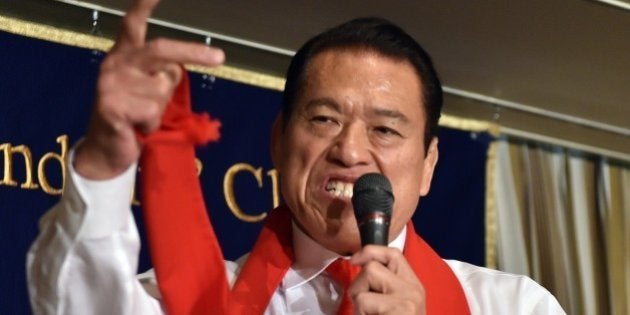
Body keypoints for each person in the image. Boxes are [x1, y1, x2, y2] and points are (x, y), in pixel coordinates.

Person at [27, 0, 566, 314]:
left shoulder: (513, 304)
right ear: (279, 142)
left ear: (428, 166)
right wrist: (104, 158)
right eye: (324, 119)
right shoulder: (183, 299)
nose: (350, 150)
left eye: (384, 129)